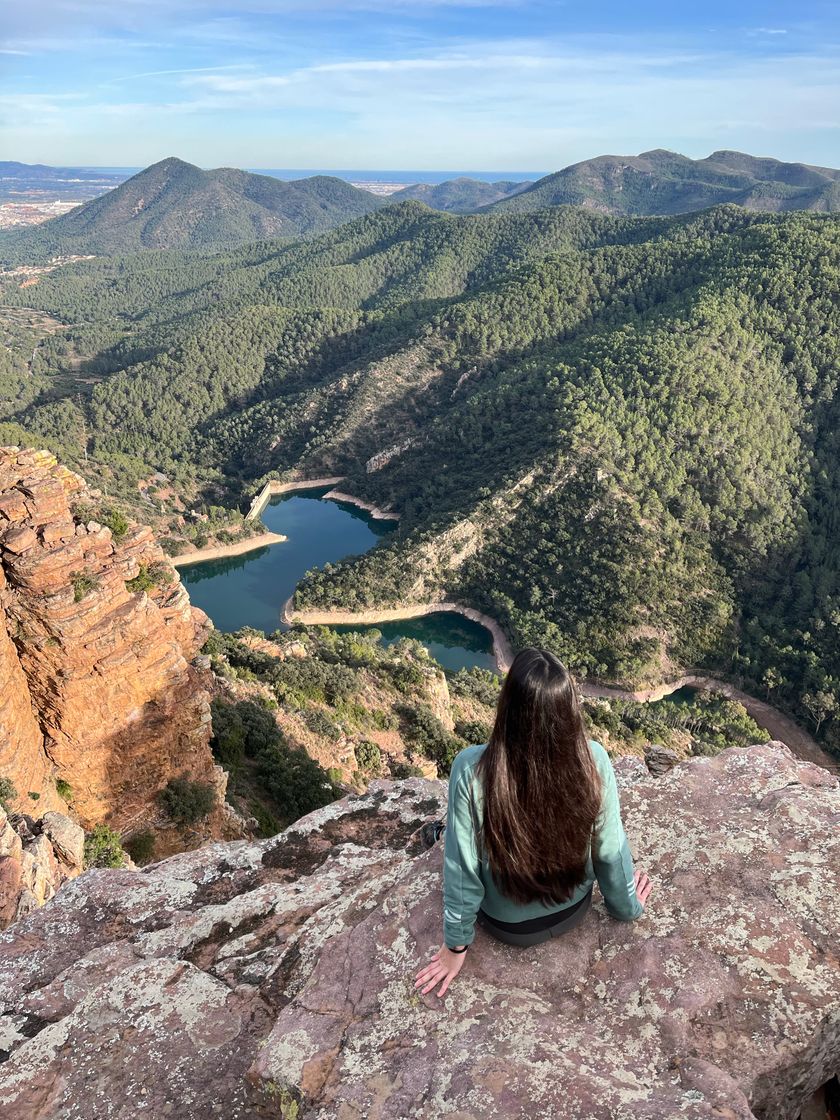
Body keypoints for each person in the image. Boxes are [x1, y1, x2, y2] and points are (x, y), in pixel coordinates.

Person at [414, 647, 652, 997]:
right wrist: (626, 906)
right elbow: (610, 849)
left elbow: (461, 873)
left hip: (506, 926)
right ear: (569, 708)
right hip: (574, 909)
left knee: (457, 835)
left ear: (508, 707)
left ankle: (440, 832)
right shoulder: (595, 759)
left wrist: (455, 949)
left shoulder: (470, 769)